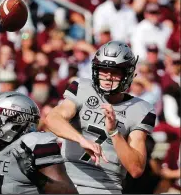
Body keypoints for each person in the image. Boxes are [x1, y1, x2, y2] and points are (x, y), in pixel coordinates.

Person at [45, 41, 156, 194]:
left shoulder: (140, 109)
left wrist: (114, 132)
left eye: (115, 72)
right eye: (103, 70)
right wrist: (81, 140)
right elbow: (52, 118)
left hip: (104, 187)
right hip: (66, 178)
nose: (108, 77)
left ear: (128, 74)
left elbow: (136, 169)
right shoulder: (83, 88)